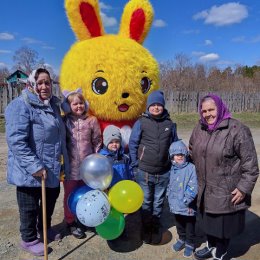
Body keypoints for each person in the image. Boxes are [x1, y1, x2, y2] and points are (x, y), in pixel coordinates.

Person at [5, 68, 69, 257]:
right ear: (31, 84)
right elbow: (16, 140)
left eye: (47, 82)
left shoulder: (53, 106)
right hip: (30, 170)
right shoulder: (22, 105)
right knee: (29, 206)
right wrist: (34, 166)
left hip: (51, 167)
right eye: (39, 82)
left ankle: (45, 228)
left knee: (49, 202)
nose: (43, 86)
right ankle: (29, 238)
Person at [189, 94, 259, 260]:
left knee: (222, 228)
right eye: (204, 111)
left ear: (220, 108)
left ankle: (220, 254)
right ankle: (210, 246)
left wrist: (243, 188)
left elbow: (251, 165)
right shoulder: (199, 128)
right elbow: (192, 149)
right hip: (204, 188)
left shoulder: (237, 130)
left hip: (226, 190)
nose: (207, 114)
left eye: (211, 109)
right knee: (208, 224)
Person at [129, 90, 179, 244]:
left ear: (163, 106)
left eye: (159, 105)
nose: (156, 107)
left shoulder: (169, 124)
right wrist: (135, 164)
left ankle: (155, 222)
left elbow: (175, 144)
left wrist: (177, 161)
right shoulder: (141, 123)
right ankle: (146, 224)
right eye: (153, 105)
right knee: (146, 200)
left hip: (164, 171)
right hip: (144, 170)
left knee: (158, 200)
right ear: (148, 107)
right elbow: (133, 144)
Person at [62, 89, 102, 239]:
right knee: (70, 194)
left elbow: (97, 140)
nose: (78, 106)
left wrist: (95, 158)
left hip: (88, 167)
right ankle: (71, 221)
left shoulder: (92, 120)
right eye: (74, 104)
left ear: (85, 104)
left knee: (88, 194)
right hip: (70, 167)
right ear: (68, 106)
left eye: (80, 103)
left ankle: (87, 219)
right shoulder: (65, 121)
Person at [167, 140, 198, 258]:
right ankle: (181, 239)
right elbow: (170, 184)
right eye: (176, 154)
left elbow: (193, 186)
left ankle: (190, 243)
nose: (179, 156)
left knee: (189, 225)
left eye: (182, 154)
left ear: (185, 155)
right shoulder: (172, 169)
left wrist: (187, 199)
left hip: (187, 206)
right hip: (175, 205)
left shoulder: (191, 168)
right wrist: (168, 195)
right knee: (179, 224)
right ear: (172, 156)